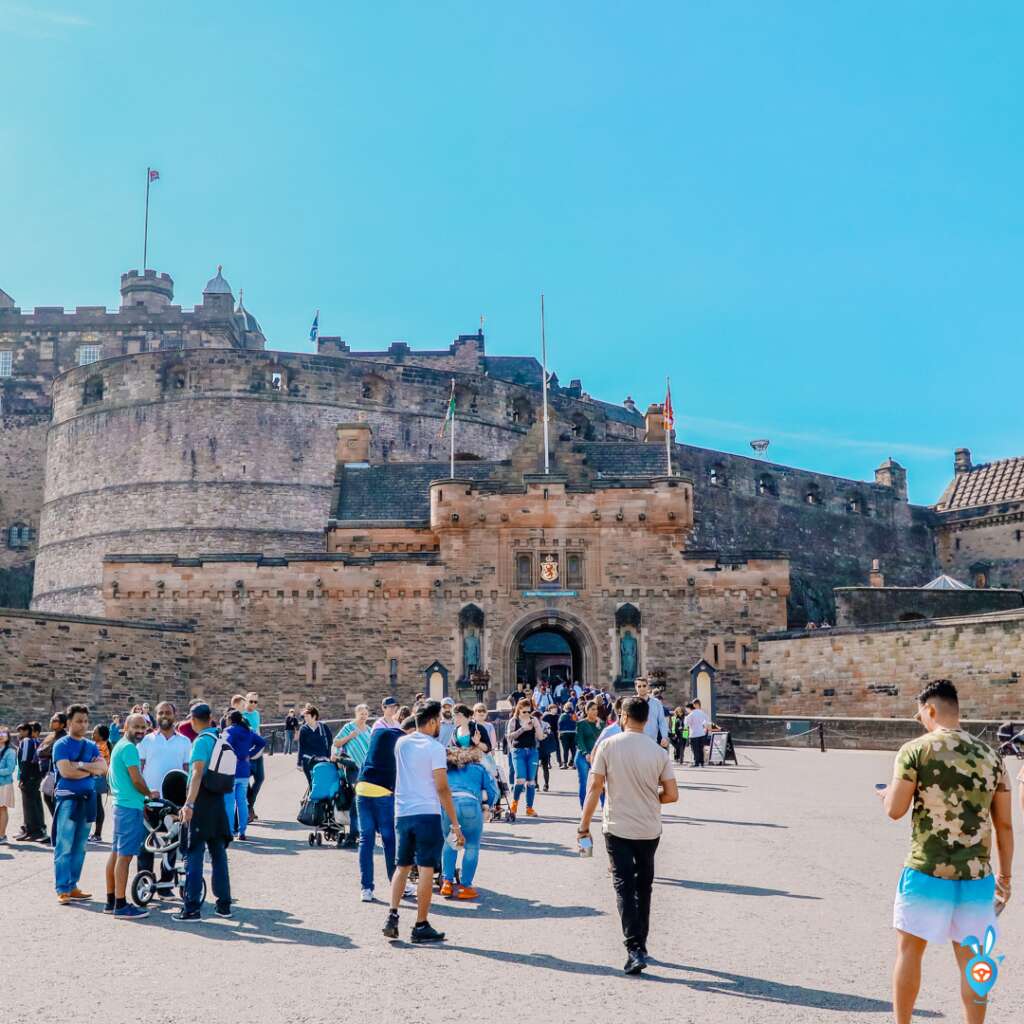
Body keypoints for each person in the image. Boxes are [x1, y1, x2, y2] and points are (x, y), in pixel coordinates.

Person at [879, 680, 1014, 1024]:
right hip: (975, 876)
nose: (920, 720)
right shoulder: (991, 756)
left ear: (931, 710)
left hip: (926, 869)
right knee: (974, 959)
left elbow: (895, 810)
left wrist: (884, 795)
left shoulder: (915, 750)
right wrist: (1006, 876)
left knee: (910, 951)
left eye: (919, 714)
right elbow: (1004, 826)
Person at [578, 695, 679, 975]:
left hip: (618, 826)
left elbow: (594, 788)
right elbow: (672, 795)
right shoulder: (659, 753)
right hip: (649, 828)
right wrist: (649, 795)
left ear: (622, 717)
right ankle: (642, 943)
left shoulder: (608, 746)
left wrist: (583, 826)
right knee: (644, 885)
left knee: (624, 884)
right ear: (647, 720)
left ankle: (633, 947)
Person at [382, 701, 464, 944]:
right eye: (439, 720)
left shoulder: (401, 743)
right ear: (431, 722)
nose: (440, 724)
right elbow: (441, 787)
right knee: (426, 868)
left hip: (402, 812)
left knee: (402, 866)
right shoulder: (434, 748)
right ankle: (420, 924)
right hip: (427, 813)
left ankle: (392, 915)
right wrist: (455, 824)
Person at [174, 702, 233, 922]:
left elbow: (197, 773)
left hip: (201, 802)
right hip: (217, 801)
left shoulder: (201, 742)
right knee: (218, 855)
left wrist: (189, 804)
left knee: (193, 853)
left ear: (193, 720)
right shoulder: (220, 738)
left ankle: (191, 908)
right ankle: (224, 905)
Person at [356, 715, 416, 902]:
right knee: (389, 840)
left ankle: (366, 888)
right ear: (412, 731)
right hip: (382, 792)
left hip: (362, 789)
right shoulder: (404, 742)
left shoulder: (379, 732)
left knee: (366, 840)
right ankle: (396, 883)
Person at [51, 704, 106, 904]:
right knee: (64, 845)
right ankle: (62, 888)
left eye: (85, 721)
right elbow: (66, 772)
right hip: (68, 800)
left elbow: (103, 768)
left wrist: (80, 765)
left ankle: (73, 885)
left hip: (88, 798)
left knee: (81, 846)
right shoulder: (61, 745)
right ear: (69, 723)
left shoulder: (91, 745)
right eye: (78, 721)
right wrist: (90, 769)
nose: (83, 725)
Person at [104, 713, 156, 918]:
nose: (140, 731)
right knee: (124, 857)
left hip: (120, 805)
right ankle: (121, 905)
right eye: (136, 727)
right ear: (126, 726)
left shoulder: (118, 746)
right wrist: (149, 793)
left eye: (143, 727)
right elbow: (136, 779)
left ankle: (111, 901)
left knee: (116, 854)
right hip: (129, 808)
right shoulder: (130, 749)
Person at [440, 744, 499, 900]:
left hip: (449, 804)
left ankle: (446, 882)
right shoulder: (478, 768)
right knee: (472, 845)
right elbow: (493, 791)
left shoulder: (445, 768)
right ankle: (465, 886)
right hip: (471, 804)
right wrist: (488, 807)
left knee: (450, 843)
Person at [332, 704, 373, 849]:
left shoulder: (369, 730)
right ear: (356, 714)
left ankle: (359, 833)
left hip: (366, 769)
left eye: (365, 713)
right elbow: (336, 742)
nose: (363, 716)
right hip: (352, 768)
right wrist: (350, 736)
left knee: (361, 800)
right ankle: (353, 834)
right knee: (358, 797)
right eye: (361, 713)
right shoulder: (349, 727)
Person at [223, 710, 267, 841]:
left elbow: (223, 746)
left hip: (230, 770)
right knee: (242, 802)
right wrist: (249, 754)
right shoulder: (248, 730)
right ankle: (242, 831)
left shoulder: (228, 731)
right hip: (244, 770)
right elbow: (262, 742)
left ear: (230, 720)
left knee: (230, 802)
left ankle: (230, 831)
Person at [508, 699, 541, 817]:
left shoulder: (534, 720)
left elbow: (540, 737)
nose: (527, 714)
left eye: (529, 711)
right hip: (518, 751)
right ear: (519, 710)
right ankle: (514, 804)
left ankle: (529, 808)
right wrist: (523, 729)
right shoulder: (514, 720)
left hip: (532, 751)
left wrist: (538, 728)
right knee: (520, 779)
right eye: (524, 712)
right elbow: (509, 736)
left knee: (531, 781)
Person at [15, 722, 45, 842]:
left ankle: (33, 831)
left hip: (29, 777)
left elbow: (25, 761)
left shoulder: (27, 741)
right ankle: (33, 829)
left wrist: (23, 778)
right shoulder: (37, 742)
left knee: (29, 805)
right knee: (35, 803)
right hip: (35, 776)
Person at [37, 712, 67, 831]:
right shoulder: (52, 735)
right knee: (48, 798)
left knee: (55, 801)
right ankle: (58, 828)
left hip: (57, 773)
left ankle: (61, 829)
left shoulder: (62, 737)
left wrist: (44, 750)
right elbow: (39, 751)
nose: (51, 722)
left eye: (55, 720)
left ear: (62, 724)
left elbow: (44, 751)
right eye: (52, 719)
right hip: (48, 772)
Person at [241, 692, 265, 821]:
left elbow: (258, 731)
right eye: (251, 701)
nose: (253, 704)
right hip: (246, 753)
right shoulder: (241, 715)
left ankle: (250, 805)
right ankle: (248, 809)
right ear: (246, 701)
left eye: (256, 702)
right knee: (245, 781)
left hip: (258, 752)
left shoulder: (256, 714)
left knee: (260, 778)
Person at [575, 701, 602, 807]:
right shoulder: (581, 723)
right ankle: (584, 807)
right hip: (583, 756)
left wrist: (599, 726)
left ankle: (604, 806)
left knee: (600, 782)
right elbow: (579, 740)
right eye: (592, 709)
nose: (595, 711)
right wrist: (585, 753)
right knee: (583, 782)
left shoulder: (601, 723)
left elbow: (603, 740)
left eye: (596, 709)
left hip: (597, 756)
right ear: (587, 711)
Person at [297, 704, 333, 784]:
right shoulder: (303, 729)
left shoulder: (323, 727)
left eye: (307, 716)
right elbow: (301, 746)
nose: (305, 718)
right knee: (312, 784)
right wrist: (299, 763)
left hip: (323, 760)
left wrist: (329, 756)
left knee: (323, 783)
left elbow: (330, 742)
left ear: (314, 716)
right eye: (304, 716)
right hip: (309, 761)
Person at [89, 724, 111, 844]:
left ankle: (97, 834)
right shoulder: (104, 745)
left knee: (96, 806)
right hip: (100, 779)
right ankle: (96, 833)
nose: (92, 734)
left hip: (97, 778)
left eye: (95, 732)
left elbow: (93, 762)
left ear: (101, 736)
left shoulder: (99, 747)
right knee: (97, 805)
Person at [634, 678, 669, 749]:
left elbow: (662, 721)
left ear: (648, 687)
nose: (642, 688)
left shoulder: (656, 703)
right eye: (639, 686)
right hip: (635, 741)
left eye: (644, 686)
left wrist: (664, 736)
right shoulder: (631, 703)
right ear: (635, 687)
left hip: (652, 741)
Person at [539, 703, 560, 791]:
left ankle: (544, 784)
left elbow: (549, 730)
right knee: (540, 767)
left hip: (544, 744)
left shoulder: (549, 720)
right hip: (540, 746)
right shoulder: (546, 718)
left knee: (544, 767)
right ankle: (540, 784)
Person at [0, 725, 15, 844]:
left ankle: (2, 835)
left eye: (3, 734)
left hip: (4, 784)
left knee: (2, 809)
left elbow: (10, 769)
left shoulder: (10, 751)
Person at [684, 700, 709, 767]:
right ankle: (702, 762)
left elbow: (686, 724)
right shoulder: (702, 712)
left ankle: (696, 762)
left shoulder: (691, 714)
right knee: (701, 748)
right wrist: (705, 728)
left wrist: (685, 734)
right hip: (701, 733)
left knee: (695, 749)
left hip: (694, 734)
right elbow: (707, 720)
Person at [557, 705, 577, 769]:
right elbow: (576, 723)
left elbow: (560, 724)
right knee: (573, 749)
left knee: (565, 750)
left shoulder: (563, 715)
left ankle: (565, 764)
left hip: (564, 733)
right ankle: (574, 764)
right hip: (573, 733)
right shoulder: (574, 715)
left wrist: (559, 733)